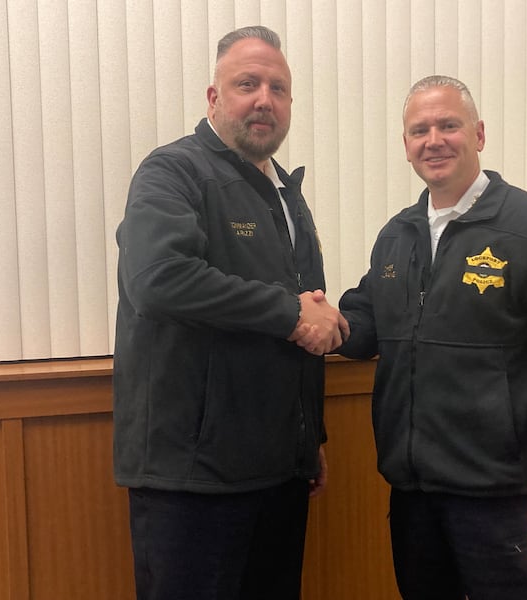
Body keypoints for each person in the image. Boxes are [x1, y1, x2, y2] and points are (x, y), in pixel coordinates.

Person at [338, 75, 527, 599]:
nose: (434, 140)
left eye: (449, 125)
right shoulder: (397, 236)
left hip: (502, 499)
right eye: (419, 130)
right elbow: (365, 320)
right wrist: (312, 320)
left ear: (480, 134)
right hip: (414, 496)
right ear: (405, 146)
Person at [112, 25, 347, 600]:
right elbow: (159, 281)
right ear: (213, 98)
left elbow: (304, 313)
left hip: (277, 475)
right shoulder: (172, 173)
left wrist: (306, 435)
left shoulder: (287, 195)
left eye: (278, 88)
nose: (264, 98)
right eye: (247, 84)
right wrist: (290, 314)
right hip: (192, 482)